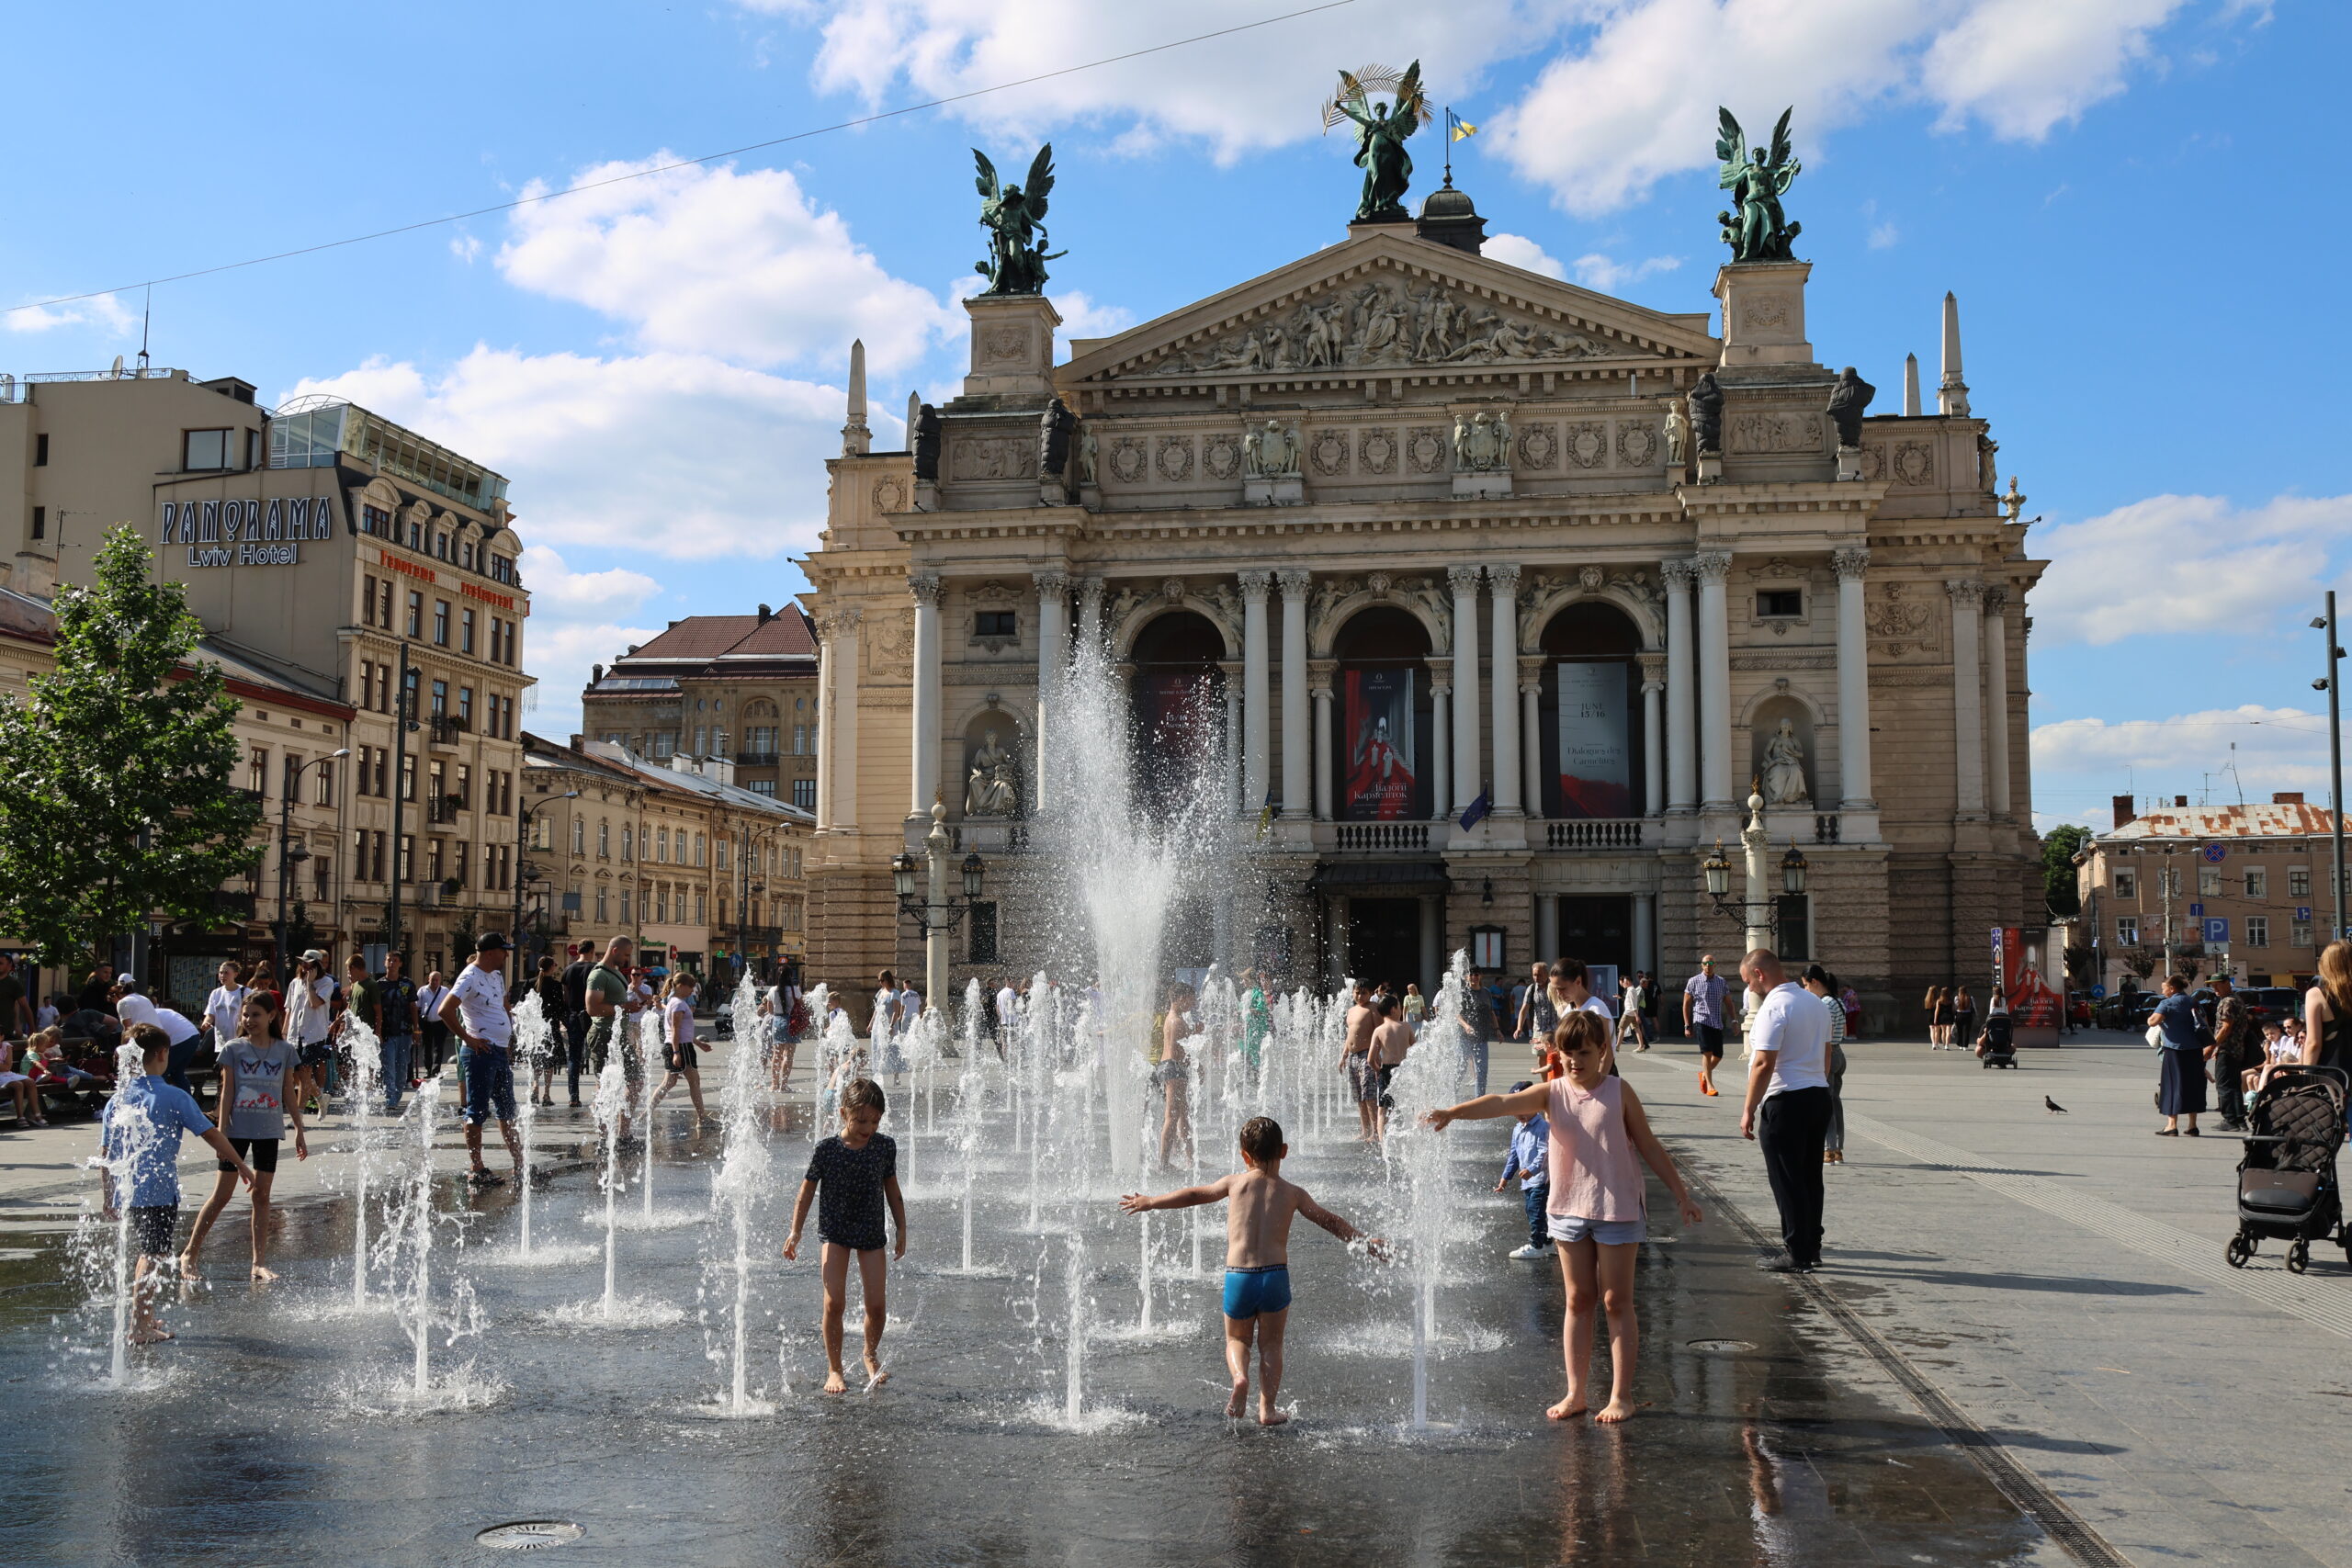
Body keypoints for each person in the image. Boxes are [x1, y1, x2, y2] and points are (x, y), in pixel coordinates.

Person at [1427, 1011, 1703, 1422]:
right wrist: (1453, 1112)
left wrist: (1682, 1194)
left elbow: (1648, 1145)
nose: (1576, 1061)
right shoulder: (1552, 1092)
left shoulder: (1619, 1091)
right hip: (1569, 1208)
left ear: (1602, 1051)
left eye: (1585, 1053)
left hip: (1617, 1209)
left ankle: (1621, 1396)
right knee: (1577, 1299)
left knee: (1616, 1301)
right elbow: (1502, 1103)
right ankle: (1576, 1393)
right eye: (1569, 1053)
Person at [1119, 1114, 1383, 1427]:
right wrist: (1365, 1242)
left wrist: (1152, 1201)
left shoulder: (1233, 1183)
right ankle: (1267, 1409)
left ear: (1245, 1156)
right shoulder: (1293, 1192)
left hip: (1238, 1276)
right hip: (1274, 1277)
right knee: (1271, 1345)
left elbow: (1194, 1195)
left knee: (1237, 1341)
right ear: (1283, 1151)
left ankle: (1240, 1379)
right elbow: (1331, 1221)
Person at [98, 1023, 254, 1344]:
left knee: (148, 1250)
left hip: (130, 1189)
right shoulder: (172, 1095)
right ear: (162, 1054)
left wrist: (108, 1196)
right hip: (158, 1190)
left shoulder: (118, 1099)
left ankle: (145, 1316)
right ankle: (138, 1328)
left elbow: (106, 1153)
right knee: (152, 1255)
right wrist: (239, 1163)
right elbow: (210, 1133)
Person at [783, 1077, 908, 1393]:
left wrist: (902, 1227)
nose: (868, 1128)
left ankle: (870, 1354)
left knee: (877, 1306)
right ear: (843, 1114)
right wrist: (795, 1231)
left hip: (870, 1232)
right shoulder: (826, 1150)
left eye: (875, 1121)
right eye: (861, 1121)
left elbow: (892, 1189)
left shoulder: (883, 1147)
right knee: (833, 1303)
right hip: (835, 1232)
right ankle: (834, 1368)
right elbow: (806, 1191)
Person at [179, 994, 307, 1280]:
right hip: (236, 1130)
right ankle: (190, 1252)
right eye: (246, 1015)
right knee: (222, 1195)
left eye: (256, 1015)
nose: (249, 1021)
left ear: (272, 1016)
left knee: (262, 1196)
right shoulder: (234, 1049)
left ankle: (258, 1263)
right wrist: (221, 1136)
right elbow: (226, 1094)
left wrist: (299, 1129)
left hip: (269, 1130)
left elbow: (289, 1092)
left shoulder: (285, 1050)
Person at [1737, 949, 1833, 1273]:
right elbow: (1827, 1053)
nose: (1749, 988)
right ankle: (1812, 1246)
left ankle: (1796, 1252)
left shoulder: (1774, 1006)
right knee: (1810, 1176)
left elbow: (1763, 1063)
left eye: (1748, 981)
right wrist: (1817, 1080)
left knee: (1787, 1179)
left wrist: (1749, 1108)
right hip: (1818, 1095)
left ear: (1759, 974)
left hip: (1785, 1101)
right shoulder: (1815, 1003)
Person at [441, 933, 525, 1185]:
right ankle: (476, 1168)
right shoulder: (469, 977)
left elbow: (502, 1007)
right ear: (490, 953)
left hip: (499, 1052)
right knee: (477, 1111)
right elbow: (444, 1010)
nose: (506, 955)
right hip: (480, 1053)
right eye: (503, 951)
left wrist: (507, 1039)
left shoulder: (496, 976)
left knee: (507, 1109)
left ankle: (520, 1163)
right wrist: (468, 1038)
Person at [582, 937, 645, 1134]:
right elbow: (592, 1008)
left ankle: (622, 1133)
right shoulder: (598, 975)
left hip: (617, 1035)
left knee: (634, 1081)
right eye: (626, 955)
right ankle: (605, 1134)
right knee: (607, 1084)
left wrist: (627, 1008)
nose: (628, 959)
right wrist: (625, 1007)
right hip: (603, 1034)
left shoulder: (615, 973)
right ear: (615, 950)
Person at [1493, 1079, 1550, 1260]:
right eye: (1514, 1110)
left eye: (1523, 1108)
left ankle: (1537, 1245)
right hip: (1528, 1181)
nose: (1519, 1114)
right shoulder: (1518, 1129)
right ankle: (1547, 1241)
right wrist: (1505, 1178)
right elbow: (1514, 1156)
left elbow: (1545, 1152)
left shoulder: (1543, 1127)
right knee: (1532, 1210)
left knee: (1535, 1210)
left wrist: (1532, 1169)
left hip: (1542, 1179)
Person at [2144, 973, 2208, 1136]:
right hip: (2195, 1050)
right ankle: (2193, 1125)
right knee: (2193, 1086)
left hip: (2175, 1050)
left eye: (2164, 988)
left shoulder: (2167, 1003)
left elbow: (2153, 1021)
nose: (2163, 991)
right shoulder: (2194, 1001)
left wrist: (2152, 1018)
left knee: (2172, 1086)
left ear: (2172, 989)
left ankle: (2171, 1125)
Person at [647, 972, 710, 1122]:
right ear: (681, 986)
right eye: (690, 988)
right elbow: (675, 1029)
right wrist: (676, 1052)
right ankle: (702, 1119)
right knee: (693, 1081)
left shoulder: (673, 1002)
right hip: (680, 1047)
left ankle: (646, 1115)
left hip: (679, 1045)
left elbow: (682, 1030)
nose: (692, 991)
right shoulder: (678, 1004)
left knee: (670, 1082)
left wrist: (698, 1043)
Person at [1802, 965, 1849, 1166]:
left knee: (1826, 1105)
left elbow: (1822, 1035)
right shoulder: (1837, 1001)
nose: (1805, 990)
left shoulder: (1825, 1004)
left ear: (1815, 982)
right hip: (1839, 1053)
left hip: (1827, 1054)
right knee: (1835, 1103)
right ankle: (1837, 1148)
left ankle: (1828, 1149)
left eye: (1805, 985)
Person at [284, 952, 335, 1114]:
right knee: (297, 1075)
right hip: (295, 1032)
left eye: (309, 964)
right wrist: (284, 1033)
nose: (305, 967)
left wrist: (310, 984)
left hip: (314, 1033)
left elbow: (315, 1003)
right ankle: (320, 1097)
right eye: (303, 963)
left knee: (306, 1070)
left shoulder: (326, 982)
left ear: (318, 966)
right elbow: (289, 1010)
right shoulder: (295, 982)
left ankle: (299, 1113)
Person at [1155, 982, 1195, 1170]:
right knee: (1172, 1116)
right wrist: (1196, 1064)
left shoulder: (1172, 1018)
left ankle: (1190, 1159)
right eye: (1190, 999)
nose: (1193, 1003)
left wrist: (1194, 1031)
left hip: (1169, 1068)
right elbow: (1177, 1050)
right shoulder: (1177, 1021)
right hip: (1174, 1069)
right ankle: (1163, 1163)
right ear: (1181, 999)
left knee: (1182, 1115)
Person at [373, 952, 420, 1112]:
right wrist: (377, 1031)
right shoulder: (379, 985)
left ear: (400, 964)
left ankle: (397, 1095)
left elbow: (413, 1007)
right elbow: (376, 1010)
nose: (391, 963)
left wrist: (416, 1029)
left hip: (405, 1032)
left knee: (402, 1067)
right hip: (387, 1033)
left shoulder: (408, 984)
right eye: (389, 960)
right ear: (384, 963)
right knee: (388, 1067)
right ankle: (390, 1099)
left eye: (395, 960)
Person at [2208, 976, 2253, 1132]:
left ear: (2227, 983)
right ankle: (2239, 1119)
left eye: (2217, 986)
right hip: (2236, 1049)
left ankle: (2230, 1119)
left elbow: (2226, 1027)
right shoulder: (2236, 999)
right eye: (2212, 986)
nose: (2215, 990)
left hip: (2228, 1049)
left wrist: (2212, 1047)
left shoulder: (2228, 1001)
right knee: (2233, 1085)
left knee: (2224, 1085)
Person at [1337, 981, 1380, 1143]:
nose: (1359, 996)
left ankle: (1375, 1131)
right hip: (1353, 1057)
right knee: (1359, 1097)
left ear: (1370, 994)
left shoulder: (1372, 1009)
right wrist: (1343, 1056)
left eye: (1363, 993)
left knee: (1369, 1095)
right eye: (1357, 993)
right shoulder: (1351, 1010)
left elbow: (1379, 1032)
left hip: (1366, 1055)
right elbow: (1349, 1035)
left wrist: (1376, 1057)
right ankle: (1365, 1130)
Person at [1369, 993, 1414, 1139]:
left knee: (1382, 1110)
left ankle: (1383, 1144)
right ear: (1394, 1009)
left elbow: (1370, 1059)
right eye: (1400, 1007)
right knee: (1408, 1105)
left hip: (1387, 1070)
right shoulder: (1406, 1026)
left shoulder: (1379, 1030)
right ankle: (1410, 1137)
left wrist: (1379, 1071)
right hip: (1404, 1070)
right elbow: (1417, 1049)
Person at [1684, 955, 1730, 1096]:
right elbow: (1686, 1004)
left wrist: (1734, 1020)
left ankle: (1704, 1074)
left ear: (1715, 965)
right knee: (1707, 1052)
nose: (1708, 966)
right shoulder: (1694, 981)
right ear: (1701, 965)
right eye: (1705, 963)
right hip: (1701, 1020)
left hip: (1716, 1021)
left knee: (1718, 1055)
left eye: (1710, 963)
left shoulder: (1721, 982)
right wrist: (1687, 1025)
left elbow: (1728, 1002)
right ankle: (1710, 1085)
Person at [528, 954, 570, 1108]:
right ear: (551, 967)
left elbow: (521, 1004)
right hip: (551, 1027)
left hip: (534, 1028)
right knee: (549, 1062)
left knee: (536, 1059)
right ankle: (546, 1093)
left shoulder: (530, 983)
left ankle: (535, 1086)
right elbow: (560, 1008)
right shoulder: (555, 985)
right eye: (555, 964)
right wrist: (567, 1024)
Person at [560, 942, 594, 1108]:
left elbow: (565, 996)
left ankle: (574, 1096)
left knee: (574, 1057)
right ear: (592, 951)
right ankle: (601, 1093)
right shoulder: (595, 969)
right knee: (600, 1054)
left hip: (574, 1016)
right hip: (593, 1014)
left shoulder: (568, 970)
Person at [1515, 962, 1557, 1060]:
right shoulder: (1531, 989)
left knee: (1555, 1060)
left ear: (1546, 974)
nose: (1536, 978)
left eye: (1539, 975)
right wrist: (1519, 1028)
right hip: (1539, 1030)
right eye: (1534, 975)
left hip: (1554, 1029)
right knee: (1541, 1060)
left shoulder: (1555, 987)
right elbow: (1524, 1009)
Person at [415, 969, 450, 1077]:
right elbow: (417, 1006)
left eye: (436, 980)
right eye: (432, 980)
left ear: (440, 981)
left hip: (441, 1022)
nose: (434, 982)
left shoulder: (445, 991)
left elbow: (449, 1007)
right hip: (427, 1023)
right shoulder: (422, 990)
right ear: (428, 979)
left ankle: (436, 1070)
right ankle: (428, 1069)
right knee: (427, 1047)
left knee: (439, 1047)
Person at [0, 953, 30, 1042]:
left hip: (5, 1033)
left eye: (1, 963)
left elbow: (24, 1007)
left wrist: (32, 1030)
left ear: (9, 965)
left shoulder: (13, 984)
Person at [1925, 985, 1951, 1049]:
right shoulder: (1938, 999)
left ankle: (1933, 1044)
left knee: (1932, 1030)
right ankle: (1936, 1043)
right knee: (1937, 1031)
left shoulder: (1926, 999)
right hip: (1937, 1015)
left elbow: (1926, 1008)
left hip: (1929, 1015)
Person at [1951, 987, 1976, 1052]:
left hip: (1959, 1015)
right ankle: (1965, 1046)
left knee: (1959, 1031)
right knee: (1966, 1031)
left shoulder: (1957, 998)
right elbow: (1973, 1006)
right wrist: (1976, 1014)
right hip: (1968, 1015)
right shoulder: (1970, 998)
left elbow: (1956, 1006)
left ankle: (1960, 1045)